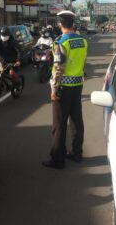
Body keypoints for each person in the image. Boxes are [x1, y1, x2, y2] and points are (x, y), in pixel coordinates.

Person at [43, 10, 87, 169]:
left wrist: (54, 89)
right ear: (73, 23)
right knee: (76, 121)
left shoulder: (61, 42)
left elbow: (58, 68)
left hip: (63, 88)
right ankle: (77, 153)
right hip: (77, 86)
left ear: (59, 24)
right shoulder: (83, 41)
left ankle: (57, 159)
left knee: (59, 124)